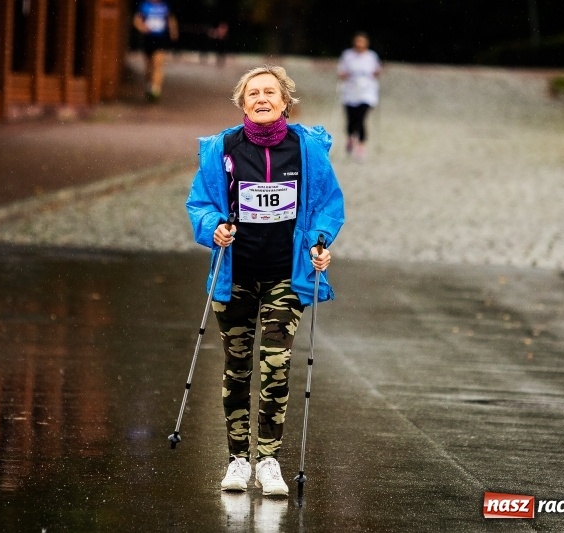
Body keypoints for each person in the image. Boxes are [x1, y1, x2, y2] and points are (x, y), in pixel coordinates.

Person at [186, 65, 345, 497]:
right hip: (235, 275)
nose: (261, 98)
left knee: (275, 364)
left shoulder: (307, 150)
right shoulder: (223, 148)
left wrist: (320, 242)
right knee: (237, 368)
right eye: (253, 93)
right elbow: (199, 203)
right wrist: (213, 226)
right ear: (242, 103)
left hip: (285, 276)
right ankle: (238, 459)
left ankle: (269, 460)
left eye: (269, 92)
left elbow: (328, 205)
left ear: (284, 101)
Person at [337, 31, 381, 161]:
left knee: (361, 119)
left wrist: (377, 73)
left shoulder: (371, 56)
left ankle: (361, 145)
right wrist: (344, 75)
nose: (360, 44)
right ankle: (350, 137)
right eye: (358, 41)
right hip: (350, 92)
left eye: (362, 41)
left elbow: (377, 71)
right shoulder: (348, 55)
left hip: (366, 92)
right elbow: (341, 71)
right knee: (351, 119)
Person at [132, 0, 179, 102]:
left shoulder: (165, 5)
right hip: (148, 39)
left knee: (158, 63)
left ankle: (156, 89)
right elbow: (137, 20)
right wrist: (143, 28)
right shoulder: (144, 5)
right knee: (149, 65)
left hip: (161, 39)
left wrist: (173, 31)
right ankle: (149, 85)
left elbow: (170, 19)